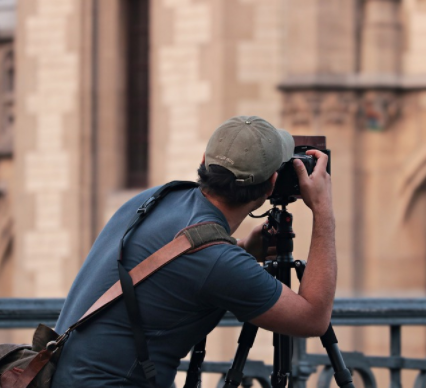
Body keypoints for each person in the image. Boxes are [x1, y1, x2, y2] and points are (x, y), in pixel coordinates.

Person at [51, 116, 336, 388]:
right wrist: (322, 210)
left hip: (58, 375)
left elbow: (183, 262)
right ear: (272, 184)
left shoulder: (156, 197)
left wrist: (245, 249)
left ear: (204, 162)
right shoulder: (217, 261)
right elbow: (313, 318)